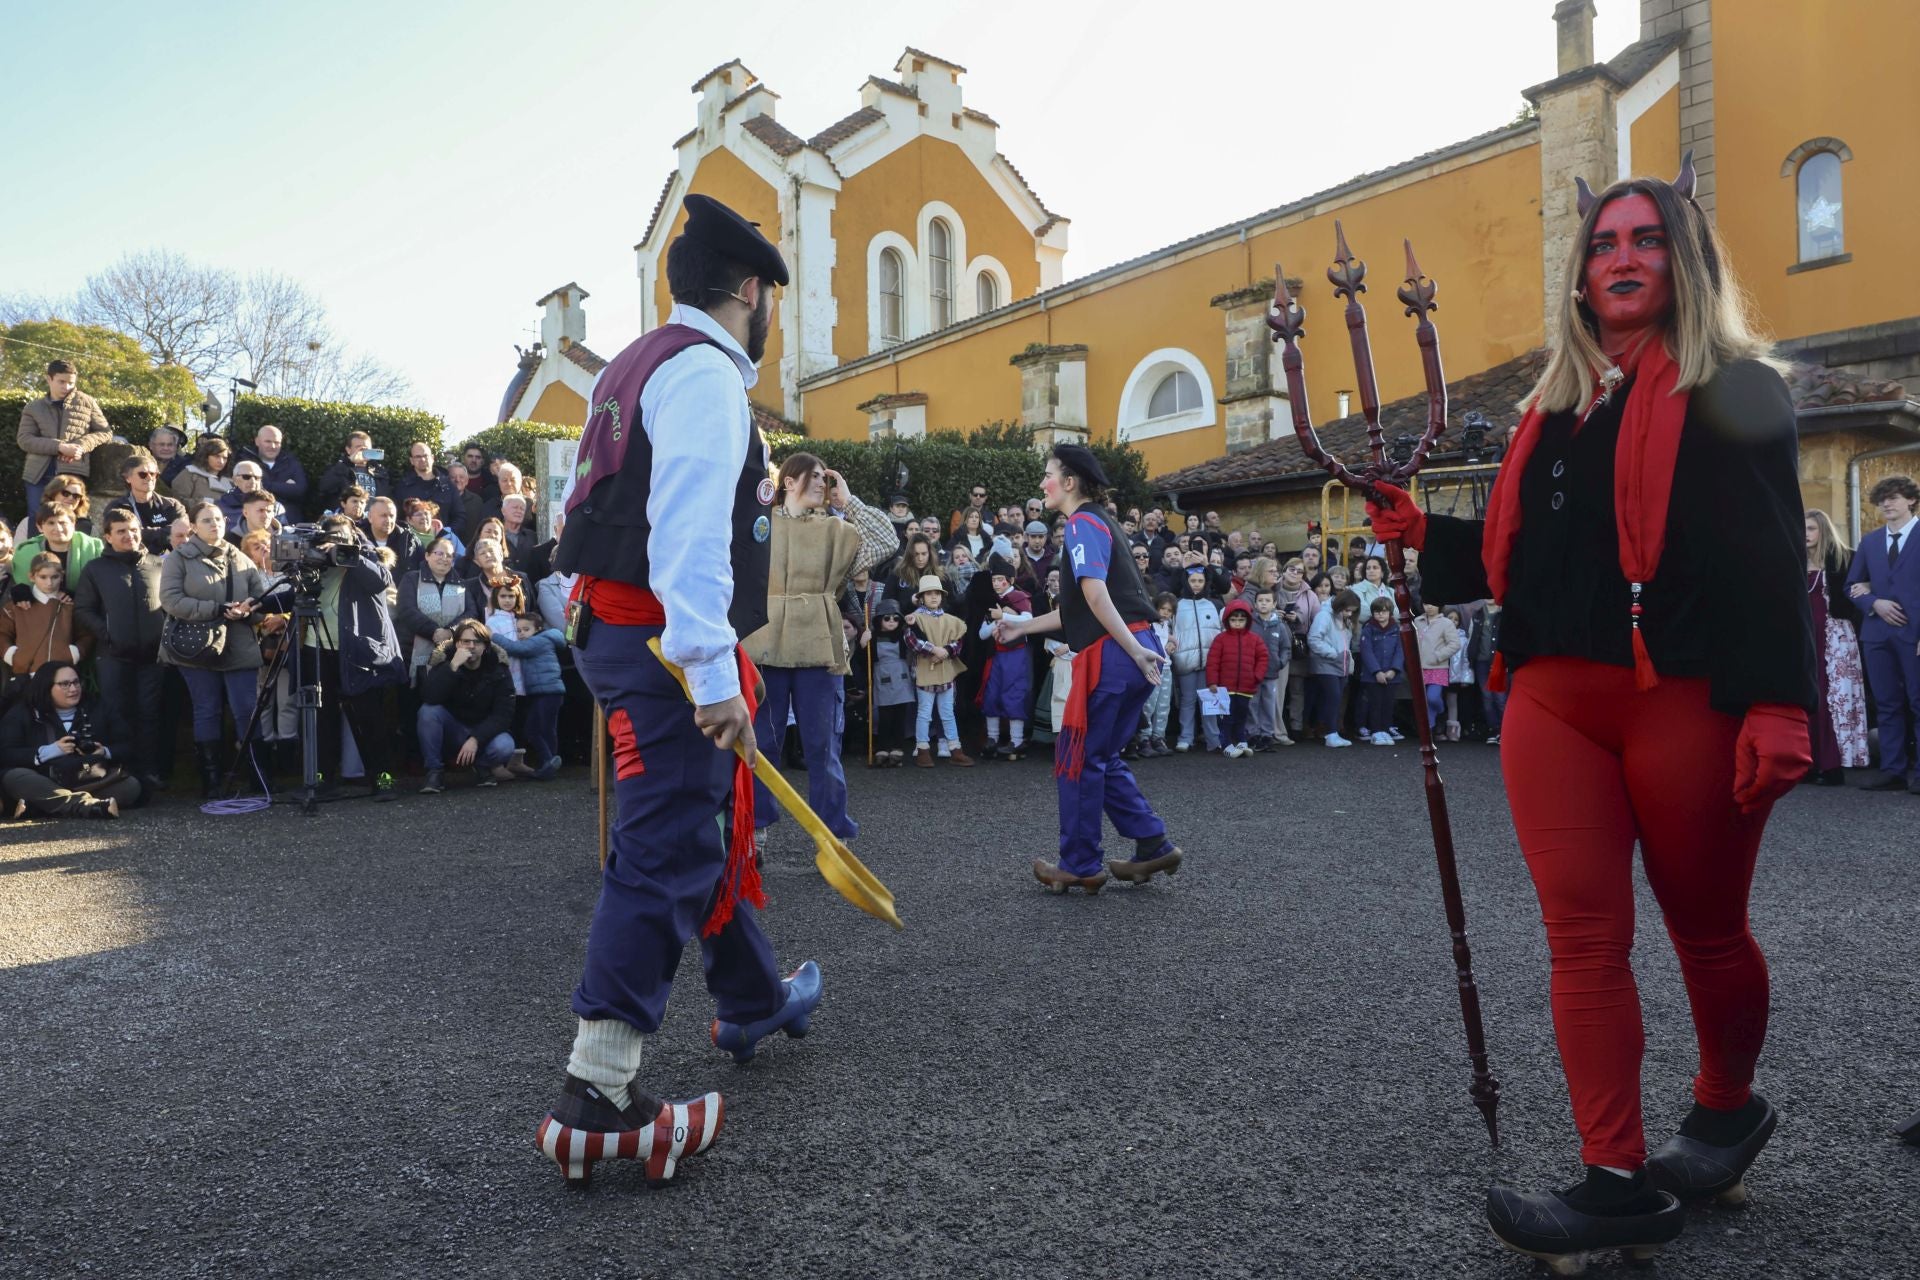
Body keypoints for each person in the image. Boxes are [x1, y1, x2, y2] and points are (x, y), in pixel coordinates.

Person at [1369, 160, 1816, 1265]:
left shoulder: (1736, 388)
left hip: (1684, 697)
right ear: (1580, 272)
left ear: (1685, 260)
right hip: (1554, 699)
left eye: (1646, 239)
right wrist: (1430, 537)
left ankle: (1726, 1106)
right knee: (1583, 936)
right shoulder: (1554, 410)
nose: (1621, 256)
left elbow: (1768, 560)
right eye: (1604, 242)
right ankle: (1615, 1176)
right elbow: (1538, 564)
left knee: (1705, 927)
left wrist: (1778, 704)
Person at [538, 193, 816, 1184]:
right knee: (662, 843)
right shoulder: (703, 375)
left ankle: (747, 993)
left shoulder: (635, 361)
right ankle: (598, 1088)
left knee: (693, 826)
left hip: (618, 628)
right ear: (751, 292)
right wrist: (709, 669)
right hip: (658, 642)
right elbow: (689, 531)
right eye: (771, 297)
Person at [992, 444, 1179, 893]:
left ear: (1070, 481)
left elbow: (1095, 597)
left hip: (1118, 654)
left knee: (1078, 757)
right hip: (1132, 648)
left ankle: (1079, 863)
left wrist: (1131, 649)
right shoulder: (1100, 522)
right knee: (1101, 755)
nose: (1043, 483)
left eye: (1049, 474)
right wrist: (1023, 627)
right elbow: (1085, 608)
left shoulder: (1080, 524)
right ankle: (1152, 844)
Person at [742, 452, 896, 843]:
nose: (820, 485)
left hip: (819, 644)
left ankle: (832, 833)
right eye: (811, 477)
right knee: (762, 742)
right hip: (764, 643)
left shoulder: (835, 528)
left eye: (824, 480)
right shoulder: (760, 523)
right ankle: (755, 830)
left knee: (822, 744)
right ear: (788, 481)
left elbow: (887, 539)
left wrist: (849, 501)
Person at [160, 501, 269, 798]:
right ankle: (211, 782)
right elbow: (171, 601)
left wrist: (250, 609)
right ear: (194, 525)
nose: (215, 524)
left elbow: (260, 600)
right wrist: (217, 609)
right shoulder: (178, 559)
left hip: (239, 643)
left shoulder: (240, 558)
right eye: (207, 520)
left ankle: (258, 776)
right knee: (206, 710)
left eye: (219, 519)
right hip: (197, 645)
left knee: (247, 710)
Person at [302, 516, 406, 798]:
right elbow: (294, 593)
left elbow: (379, 581)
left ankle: (382, 777)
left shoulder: (368, 556)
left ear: (354, 536)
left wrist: (346, 554)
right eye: (331, 537)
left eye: (342, 536)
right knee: (321, 718)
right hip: (317, 646)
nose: (335, 541)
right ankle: (322, 778)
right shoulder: (314, 560)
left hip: (357, 651)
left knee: (369, 717)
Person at [74, 507, 167, 790]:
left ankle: (149, 771)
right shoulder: (95, 569)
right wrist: (108, 633)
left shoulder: (157, 564)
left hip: (153, 656)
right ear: (108, 536)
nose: (129, 536)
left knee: (150, 714)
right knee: (117, 713)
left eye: (134, 530)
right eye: (122, 531)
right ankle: (119, 773)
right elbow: (83, 609)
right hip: (113, 655)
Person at [1845, 474, 1920, 793]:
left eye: (1894, 496)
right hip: (1876, 634)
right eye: (1882, 498)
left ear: (1911, 500)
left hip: (1914, 634)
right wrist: (1874, 602)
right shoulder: (1870, 542)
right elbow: (1851, 586)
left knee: (1919, 701)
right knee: (1887, 703)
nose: (1887, 503)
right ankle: (1892, 769)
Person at [0, 661, 139, 819]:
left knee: (130, 786)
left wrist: (105, 752)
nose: (73, 689)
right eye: (64, 684)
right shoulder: (23, 712)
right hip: (42, 778)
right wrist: (46, 752)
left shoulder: (98, 706)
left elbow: (128, 745)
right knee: (14, 777)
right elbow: (6, 753)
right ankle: (84, 806)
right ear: (46, 687)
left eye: (76, 682)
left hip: (88, 779)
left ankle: (42, 806)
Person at [1803, 509, 1868, 785]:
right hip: (1804, 636)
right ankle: (1807, 762)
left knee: (1834, 699)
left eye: (1811, 529)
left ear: (1824, 531)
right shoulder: (1793, 560)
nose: (1805, 534)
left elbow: (1860, 592)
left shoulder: (1845, 559)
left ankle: (1832, 765)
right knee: (1807, 695)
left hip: (1835, 637)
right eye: (1803, 528)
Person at [416, 617, 516, 791]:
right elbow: (430, 697)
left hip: (483, 733)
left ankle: (482, 766)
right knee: (428, 712)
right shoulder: (444, 662)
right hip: (453, 731)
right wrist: (452, 666)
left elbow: (503, 715)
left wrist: (476, 738)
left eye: (476, 642)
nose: (470, 646)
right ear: (456, 644)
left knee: (505, 746)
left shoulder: (498, 668)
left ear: (485, 646)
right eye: (465, 641)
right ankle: (435, 772)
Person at [17, 360, 111, 518]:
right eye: (61, 382)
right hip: (38, 475)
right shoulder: (33, 407)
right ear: (49, 379)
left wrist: (81, 446)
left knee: (71, 517)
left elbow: (105, 432)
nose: (66, 387)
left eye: (70, 383)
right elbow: (24, 439)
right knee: (38, 517)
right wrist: (59, 447)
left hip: (72, 472)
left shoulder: (87, 402)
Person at [906, 575, 970, 765]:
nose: (933, 597)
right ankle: (923, 749)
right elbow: (911, 640)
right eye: (928, 594)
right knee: (924, 712)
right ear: (921, 597)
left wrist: (946, 651)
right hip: (926, 670)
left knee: (947, 712)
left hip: (945, 670)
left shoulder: (951, 620)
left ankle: (955, 748)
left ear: (942, 596)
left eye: (936, 593)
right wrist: (932, 649)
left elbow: (958, 641)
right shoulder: (915, 618)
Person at [1, 553, 90, 686]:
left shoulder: (70, 605)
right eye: (43, 577)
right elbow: (2, 633)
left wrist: (74, 653)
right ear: (32, 577)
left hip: (63, 678)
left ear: (62, 576)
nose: (49, 583)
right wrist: (12, 655)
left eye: (55, 577)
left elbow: (87, 633)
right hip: (26, 676)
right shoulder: (17, 605)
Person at [975, 559, 1033, 760]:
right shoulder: (993, 602)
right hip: (996, 654)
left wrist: (1005, 617)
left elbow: (1029, 620)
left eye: (1000, 579)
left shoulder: (1018, 596)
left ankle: (1017, 741)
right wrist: (998, 621)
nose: (996, 583)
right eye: (994, 579)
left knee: (1014, 692)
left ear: (1009, 580)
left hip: (1015, 653)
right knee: (992, 693)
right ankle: (992, 738)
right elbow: (982, 634)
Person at [1169, 563, 1222, 752]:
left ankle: (1213, 739)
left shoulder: (1212, 605)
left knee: (1209, 701)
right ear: (1186, 581)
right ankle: (1185, 737)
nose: (1197, 584)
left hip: (1209, 661)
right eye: (1193, 581)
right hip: (1185, 661)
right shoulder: (1178, 605)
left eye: (1200, 581)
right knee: (1187, 700)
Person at [1205, 599, 1268, 758]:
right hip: (1224, 689)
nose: (1237, 623)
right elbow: (1213, 661)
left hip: (1246, 687)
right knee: (1226, 718)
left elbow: (1263, 657)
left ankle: (1241, 740)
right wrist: (1212, 682)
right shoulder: (1221, 639)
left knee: (1242, 715)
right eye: (1233, 620)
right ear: (1227, 620)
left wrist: (1257, 676)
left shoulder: (1255, 639)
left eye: (1241, 620)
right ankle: (1226, 743)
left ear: (1247, 620)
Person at [860, 598, 915, 766]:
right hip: (882, 678)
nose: (892, 621)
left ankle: (898, 748)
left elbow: (916, 643)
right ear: (879, 620)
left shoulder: (904, 635)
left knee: (900, 716)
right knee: (884, 716)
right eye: (887, 618)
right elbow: (865, 662)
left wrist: (912, 625)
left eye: (896, 618)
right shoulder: (873, 637)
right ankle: (883, 748)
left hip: (901, 679)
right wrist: (863, 644)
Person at [103, 452, 188, 556]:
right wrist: (165, 533)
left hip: (170, 561)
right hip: (131, 561)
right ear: (127, 478)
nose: (149, 478)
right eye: (143, 474)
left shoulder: (171, 505)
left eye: (153, 474)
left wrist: (143, 533)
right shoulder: (117, 507)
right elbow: (118, 538)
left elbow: (182, 531)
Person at [1304, 585, 1358, 747]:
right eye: (1347, 610)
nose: (1349, 614)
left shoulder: (1344, 619)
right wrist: (1333, 653)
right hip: (1325, 663)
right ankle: (1331, 733)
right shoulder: (1324, 616)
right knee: (1333, 697)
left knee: (1335, 698)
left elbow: (1346, 644)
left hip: (1340, 665)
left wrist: (1348, 662)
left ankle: (1330, 732)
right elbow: (1314, 639)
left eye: (1352, 611)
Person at [1248, 588, 1293, 749]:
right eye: (1260, 601)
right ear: (1255, 603)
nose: (1264, 604)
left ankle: (1267, 734)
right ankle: (1253, 734)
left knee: (1268, 704)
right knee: (1252, 704)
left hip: (1271, 673)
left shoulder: (1279, 626)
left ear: (1274, 604)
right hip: (1252, 673)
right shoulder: (1250, 624)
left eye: (1267, 601)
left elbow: (1286, 648)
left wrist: (1280, 662)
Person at [236, 424, 310, 520]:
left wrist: (267, 485)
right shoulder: (245, 461)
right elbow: (245, 489)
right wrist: (284, 486)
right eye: (268, 441)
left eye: (277, 442)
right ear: (257, 441)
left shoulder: (291, 462)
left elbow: (300, 489)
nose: (273, 446)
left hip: (289, 522)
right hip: (254, 520)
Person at [1356, 596, 1404, 745]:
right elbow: (1366, 651)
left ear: (1390, 612)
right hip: (1372, 676)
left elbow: (1400, 651)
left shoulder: (1397, 629)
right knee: (1375, 702)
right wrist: (1376, 671)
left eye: (1384, 612)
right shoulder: (1368, 628)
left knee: (1389, 703)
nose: (1380, 615)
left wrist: (1394, 670)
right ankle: (1376, 731)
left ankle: (1386, 729)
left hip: (1392, 675)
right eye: (1377, 612)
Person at [13, 505, 101, 585]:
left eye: (63, 523)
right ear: (40, 527)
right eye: (51, 523)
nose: (58, 528)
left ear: (73, 525)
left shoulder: (95, 548)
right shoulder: (24, 553)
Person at [1413, 601, 1462, 736]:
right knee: (1423, 700)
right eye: (1425, 604)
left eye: (1433, 604)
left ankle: (1441, 712)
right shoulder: (1417, 621)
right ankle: (1430, 726)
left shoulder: (1446, 623)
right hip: (1419, 667)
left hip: (1438, 666)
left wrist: (1438, 656)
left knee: (1432, 697)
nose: (1429, 607)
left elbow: (1455, 644)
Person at [391, 442, 461, 529]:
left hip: (442, 540)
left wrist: (446, 535)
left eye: (425, 456)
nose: (422, 459)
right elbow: (397, 518)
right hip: (411, 540)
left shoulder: (448, 486)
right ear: (411, 461)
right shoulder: (402, 487)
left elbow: (459, 517)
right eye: (418, 457)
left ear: (432, 458)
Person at [316, 432, 388, 513]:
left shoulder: (379, 472)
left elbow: (386, 498)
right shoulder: (340, 468)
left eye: (366, 449)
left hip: (372, 519)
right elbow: (324, 486)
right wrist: (349, 462)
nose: (363, 451)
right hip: (346, 519)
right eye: (359, 448)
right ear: (348, 450)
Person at [12, 474, 93, 542]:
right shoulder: (29, 523)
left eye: (76, 496)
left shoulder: (88, 528)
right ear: (53, 494)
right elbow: (17, 554)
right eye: (65, 493)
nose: (71, 498)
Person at [1469, 598, 1505, 745]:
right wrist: (1470, 657)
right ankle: (1494, 729)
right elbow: (1472, 635)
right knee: (1487, 697)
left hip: (1500, 661)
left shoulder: (1504, 613)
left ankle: (1505, 730)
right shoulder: (1477, 614)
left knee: (1501, 697)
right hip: (1481, 660)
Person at [170, 434, 235, 509]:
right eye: (217, 456)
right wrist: (207, 502)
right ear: (206, 456)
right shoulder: (190, 474)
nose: (221, 461)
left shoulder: (231, 481)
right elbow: (178, 501)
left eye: (225, 458)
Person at [218, 460, 283, 527]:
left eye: (257, 478)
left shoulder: (275, 507)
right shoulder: (220, 506)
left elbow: (282, 533)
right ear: (235, 480)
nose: (253, 481)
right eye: (246, 477)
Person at [445, 461, 485, 546]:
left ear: (467, 480)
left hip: (470, 549)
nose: (457, 480)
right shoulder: (441, 500)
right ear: (446, 479)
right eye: (453, 477)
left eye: (461, 477)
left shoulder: (477, 501)